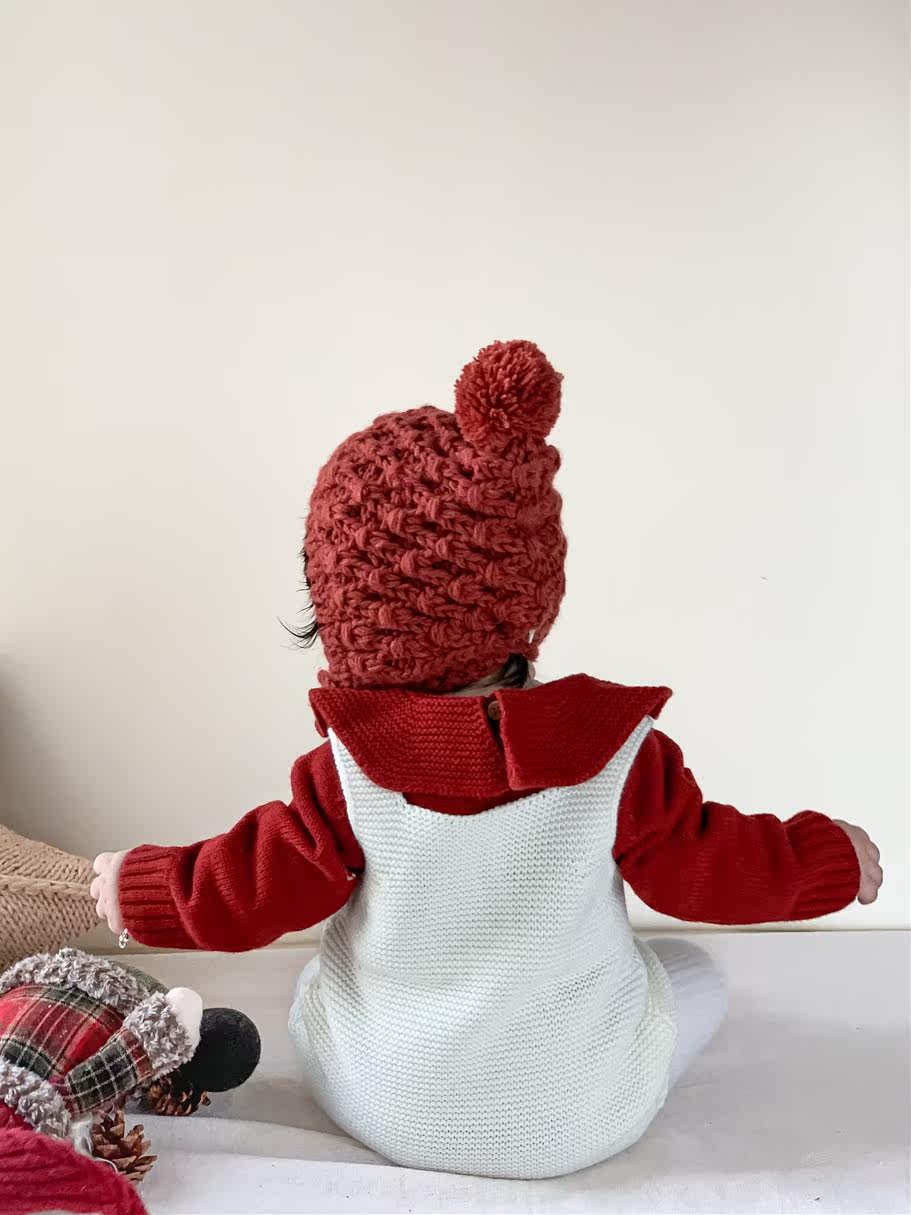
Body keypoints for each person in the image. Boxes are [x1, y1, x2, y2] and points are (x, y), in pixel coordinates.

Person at [91, 340, 882, 1179]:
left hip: (378, 1098)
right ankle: (557, 1068)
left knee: (320, 981)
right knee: (697, 976)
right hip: (580, 1117)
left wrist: (141, 886)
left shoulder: (347, 774)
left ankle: (412, 1061)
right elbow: (716, 867)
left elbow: (244, 884)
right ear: (531, 586)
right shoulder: (616, 755)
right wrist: (827, 857)